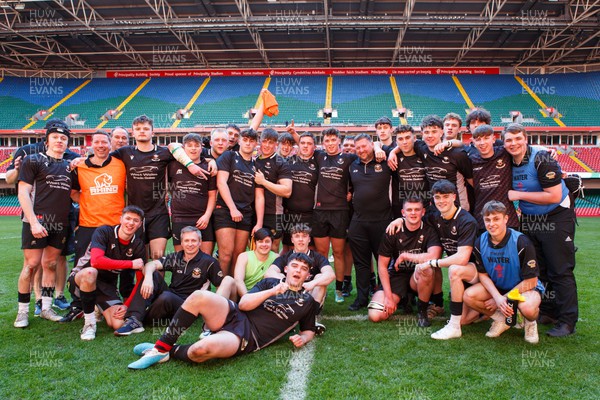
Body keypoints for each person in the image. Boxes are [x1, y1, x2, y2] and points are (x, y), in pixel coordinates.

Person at [127, 252, 319, 370]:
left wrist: (304, 338)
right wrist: (273, 291)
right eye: (295, 266)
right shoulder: (270, 282)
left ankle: (169, 351)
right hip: (235, 313)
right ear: (286, 268)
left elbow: (309, 330)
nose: (298, 271)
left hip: (248, 337)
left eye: (303, 269)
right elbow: (243, 304)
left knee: (200, 350)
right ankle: (160, 347)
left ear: (308, 275)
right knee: (198, 296)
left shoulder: (308, 301)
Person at [504, 123, 577, 337]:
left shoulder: (542, 158)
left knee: (560, 269)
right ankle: (548, 311)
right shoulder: (507, 157)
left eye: (518, 138)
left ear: (526, 138)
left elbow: (553, 195)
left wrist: (518, 196)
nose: (513, 143)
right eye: (509, 140)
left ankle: (567, 321)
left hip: (555, 215)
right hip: (530, 218)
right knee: (540, 269)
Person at [387, 180, 478, 340]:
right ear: (433, 200)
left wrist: (432, 262)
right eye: (437, 197)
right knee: (465, 316)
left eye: (445, 196)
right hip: (460, 272)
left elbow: (463, 258)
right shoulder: (435, 217)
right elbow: (415, 216)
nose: (441, 201)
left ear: (454, 197)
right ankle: (440, 305)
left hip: (477, 271)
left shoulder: (466, 220)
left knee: (453, 268)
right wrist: (400, 220)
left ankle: (455, 325)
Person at [7, 119, 80, 316]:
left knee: (50, 264)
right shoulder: (33, 160)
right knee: (31, 265)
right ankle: (22, 311)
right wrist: (33, 222)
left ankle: (47, 308)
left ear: (67, 143)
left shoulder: (69, 166)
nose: (59, 141)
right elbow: (23, 193)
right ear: (47, 140)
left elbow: (75, 194)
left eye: (63, 138)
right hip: (36, 221)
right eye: (55, 137)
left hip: (60, 223)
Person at [110, 115, 207, 260]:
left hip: (158, 213)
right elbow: (101, 158)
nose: (142, 131)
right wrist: (80, 159)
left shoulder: (164, 153)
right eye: (138, 129)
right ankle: (140, 283)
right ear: (133, 133)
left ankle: (156, 283)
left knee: (158, 257)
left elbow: (182, 151)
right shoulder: (124, 152)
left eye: (146, 128)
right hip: (134, 214)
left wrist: (206, 161)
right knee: (137, 257)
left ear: (152, 132)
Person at [115, 226, 234, 336]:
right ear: (181, 243)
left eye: (193, 240)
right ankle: (134, 320)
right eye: (186, 241)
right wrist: (148, 278)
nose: (190, 244)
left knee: (166, 297)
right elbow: (151, 264)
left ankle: (141, 317)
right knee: (154, 274)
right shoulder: (176, 257)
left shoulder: (209, 262)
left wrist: (215, 313)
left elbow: (220, 286)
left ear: (200, 242)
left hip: (190, 304)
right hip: (170, 297)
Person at [63, 130, 127, 323]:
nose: (100, 145)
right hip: (88, 224)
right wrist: (88, 202)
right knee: (82, 265)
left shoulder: (121, 164)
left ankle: (105, 301)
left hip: (114, 224)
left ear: (110, 145)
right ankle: (78, 305)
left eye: (104, 142)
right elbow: (73, 192)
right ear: (91, 145)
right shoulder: (80, 165)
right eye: (97, 142)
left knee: (111, 265)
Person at [463, 201, 542, 343]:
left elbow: (531, 281)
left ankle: (530, 323)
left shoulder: (521, 242)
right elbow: (482, 274)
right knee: (469, 296)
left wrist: (502, 298)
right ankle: (502, 320)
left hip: (524, 288)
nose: (491, 224)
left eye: (496, 219)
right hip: (499, 286)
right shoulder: (480, 242)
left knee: (528, 308)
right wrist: (496, 296)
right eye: (487, 220)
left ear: (506, 219)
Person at [71, 206, 147, 340]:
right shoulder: (104, 231)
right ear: (120, 219)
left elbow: (140, 281)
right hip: (80, 280)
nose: (130, 223)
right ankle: (89, 324)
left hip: (106, 285)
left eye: (135, 220)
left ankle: (97, 307)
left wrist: (126, 305)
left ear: (140, 224)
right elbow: (96, 261)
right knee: (90, 273)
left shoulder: (138, 245)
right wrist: (130, 264)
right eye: (128, 218)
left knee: (118, 323)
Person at [369, 197, 442, 326]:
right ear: (403, 213)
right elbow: (381, 266)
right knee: (375, 315)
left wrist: (405, 256)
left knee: (427, 268)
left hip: (418, 276)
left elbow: (434, 255)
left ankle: (422, 311)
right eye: (409, 210)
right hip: (398, 274)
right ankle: (404, 298)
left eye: (416, 210)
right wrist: (389, 297)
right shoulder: (393, 230)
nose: (413, 213)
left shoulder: (429, 230)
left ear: (423, 212)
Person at [347, 134, 393, 311]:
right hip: (358, 222)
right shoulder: (353, 164)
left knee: (383, 261)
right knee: (361, 263)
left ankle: (383, 294)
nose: (360, 150)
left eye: (364, 146)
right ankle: (361, 298)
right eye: (357, 147)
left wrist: (378, 146)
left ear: (371, 146)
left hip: (382, 221)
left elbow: (392, 145)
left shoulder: (385, 160)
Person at [214, 128, 265, 276]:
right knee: (226, 255)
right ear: (240, 141)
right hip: (225, 210)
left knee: (238, 255)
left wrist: (259, 223)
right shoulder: (229, 156)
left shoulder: (256, 166)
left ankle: (233, 291)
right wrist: (232, 209)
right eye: (245, 140)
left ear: (256, 143)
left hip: (246, 213)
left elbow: (259, 196)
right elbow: (221, 183)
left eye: (252, 141)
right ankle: (222, 290)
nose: (248, 143)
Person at [265, 224, 334, 331]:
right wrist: (287, 283)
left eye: (304, 236)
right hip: (291, 295)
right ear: (292, 239)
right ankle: (289, 316)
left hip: (309, 294)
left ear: (309, 239)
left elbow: (330, 275)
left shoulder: (317, 257)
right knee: (279, 276)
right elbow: (269, 273)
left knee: (320, 278)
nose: (301, 239)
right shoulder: (285, 257)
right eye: (297, 236)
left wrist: (312, 284)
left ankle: (311, 318)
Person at [168, 133, 217, 255]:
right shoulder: (173, 165)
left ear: (202, 148)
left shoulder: (208, 167)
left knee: (205, 259)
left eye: (197, 145)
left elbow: (212, 195)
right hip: (179, 218)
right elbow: (171, 146)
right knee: (180, 259)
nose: (193, 148)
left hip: (202, 218)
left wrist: (206, 216)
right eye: (189, 145)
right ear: (183, 148)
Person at [255, 127, 293, 252]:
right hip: (252, 211)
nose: (267, 145)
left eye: (271, 142)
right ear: (260, 142)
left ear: (276, 145)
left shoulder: (280, 162)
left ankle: (271, 272)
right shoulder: (254, 161)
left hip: (274, 213)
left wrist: (264, 182)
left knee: (272, 248)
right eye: (264, 141)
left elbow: (287, 191)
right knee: (255, 247)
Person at [281, 132, 319, 254]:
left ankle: (310, 273)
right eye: (302, 143)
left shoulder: (318, 161)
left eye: (309, 143)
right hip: (290, 214)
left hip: (309, 214)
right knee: (289, 248)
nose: (305, 146)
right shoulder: (288, 161)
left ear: (314, 146)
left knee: (309, 249)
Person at [233, 228, 278, 298]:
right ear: (255, 243)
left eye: (267, 241)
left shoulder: (276, 257)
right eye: (260, 241)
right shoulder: (244, 257)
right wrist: (247, 298)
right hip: (244, 294)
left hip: (266, 296)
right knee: (228, 280)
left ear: (272, 243)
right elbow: (238, 280)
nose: (264, 244)